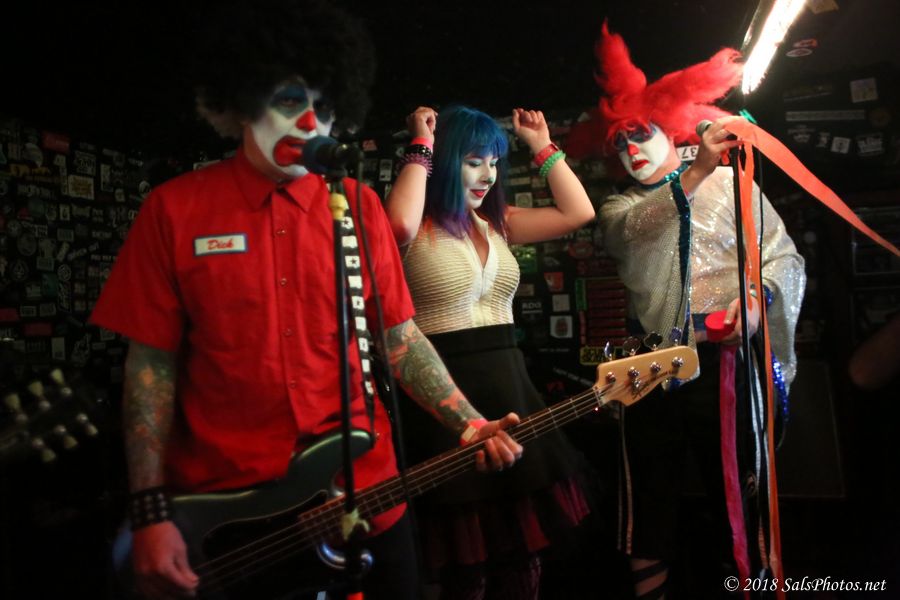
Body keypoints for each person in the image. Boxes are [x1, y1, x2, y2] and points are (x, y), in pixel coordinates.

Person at [90, 3, 522, 599]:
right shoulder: (174, 210)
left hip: (366, 493)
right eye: (291, 100)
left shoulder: (358, 206)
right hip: (229, 514)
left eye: (326, 106)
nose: (313, 122)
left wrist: (468, 423)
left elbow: (398, 336)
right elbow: (150, 367)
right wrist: (148, 511)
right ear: (243, 101)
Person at [565, 22, 806, 599]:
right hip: (650, 366)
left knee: (740, 489)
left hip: (727, 362)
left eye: (640, 134)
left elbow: (784, 258)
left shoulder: (733, 186)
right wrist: (695, 172)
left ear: (670, 128)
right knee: (647, 498)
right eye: (620, 144)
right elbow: (637, 230)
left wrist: (757, 303)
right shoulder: (619, 207)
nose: (632, 149)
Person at [385, 105, 595, 599]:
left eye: (494, 162)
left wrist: (541, 146)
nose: (488, 175)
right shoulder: (414, 222)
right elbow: (398, 225)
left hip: (510, 390)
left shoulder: (497, 223)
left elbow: (579, 213)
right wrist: (422, 145)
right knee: (464, 570)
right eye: (474, 161)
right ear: (445, 161)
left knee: (522, 565)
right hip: (442, 396)